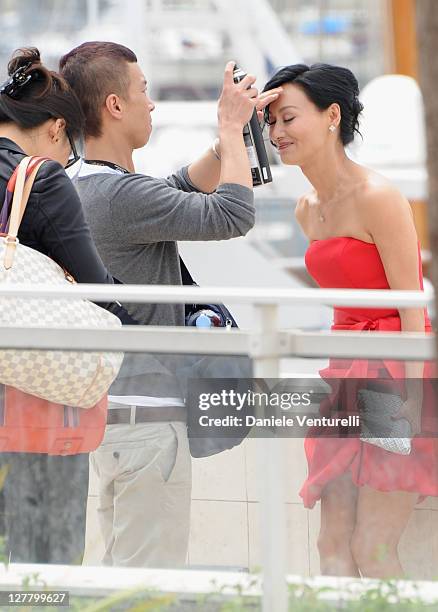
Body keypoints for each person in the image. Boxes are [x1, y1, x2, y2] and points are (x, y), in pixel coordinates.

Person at [59, 41, 280, 568]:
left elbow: (176, 188)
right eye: (142, 92)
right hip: (150, 424)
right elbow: (233, 215)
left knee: (118, 582)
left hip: (110, 418)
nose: (150, 104)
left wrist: (230, 134)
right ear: (115, 106)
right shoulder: (119, 198)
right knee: (146, 590)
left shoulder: (84, 185)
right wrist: (230, 128)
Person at [261, 63, 438, 578]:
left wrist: (414, 400)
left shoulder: (378, 196)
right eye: (270, 123)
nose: (276, 133)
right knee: (331, 542)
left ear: (332, 116)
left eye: (288, 118)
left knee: (373, 546)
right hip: (343, 374)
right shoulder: (304, 208)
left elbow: (412, 305)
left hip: (391, 379)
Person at [0, 48, 136, 563]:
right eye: (72, 146)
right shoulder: (41, 180)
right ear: (56, 128)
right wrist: (143, 324)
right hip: (29, 410)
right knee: (43, 572)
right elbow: (96, 288)